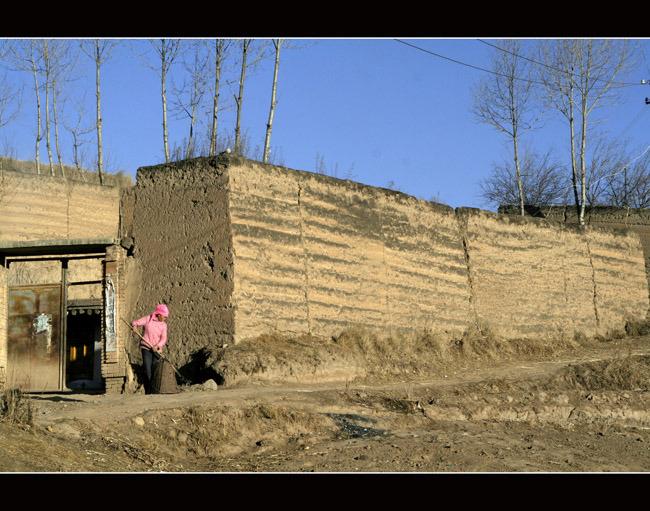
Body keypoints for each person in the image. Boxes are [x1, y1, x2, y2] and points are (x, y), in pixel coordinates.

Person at [131, 304, 169, 394]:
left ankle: (155, 390)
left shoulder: (164, 325)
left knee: (155, 369)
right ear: (159, 314)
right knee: (147, 370)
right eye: (164, 316)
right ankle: (148, 391)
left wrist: (158, 345)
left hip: (156, 350)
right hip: (146, 348)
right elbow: (135, 322)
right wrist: (135, 326)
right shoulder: (148, 319)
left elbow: (163, 338)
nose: (165, 318)